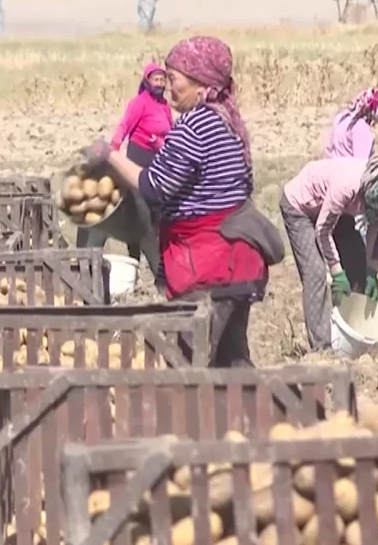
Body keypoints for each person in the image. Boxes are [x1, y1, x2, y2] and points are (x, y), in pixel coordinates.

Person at [84, 36, 283, 368]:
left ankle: (217, 418)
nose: (168, 88)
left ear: (200, 84)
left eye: (174, 79)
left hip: (210, 265)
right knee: (232, 361)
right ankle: (249, 416)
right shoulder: (226, 120)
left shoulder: (196, 126)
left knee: (190, 364)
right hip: (236, 261)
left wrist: (109, 156)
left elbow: (155, 186)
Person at [279, 154, 378, 353]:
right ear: (366, 192)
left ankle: (352, 332)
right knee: (315, 274)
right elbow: (323, 230)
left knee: (357, 265)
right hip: (301, 207)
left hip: (340, 211)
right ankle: (323, 348)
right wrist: (337, 272)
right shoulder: (347, 186)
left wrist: (372, 271)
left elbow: (377, 232)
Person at [78, 63, 172, 289]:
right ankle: (155, 276)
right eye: (155, 79)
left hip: (157, 165)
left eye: (162, 80)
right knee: (143, 222)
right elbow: (123, 128)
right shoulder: (139, 104)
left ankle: (137, 268)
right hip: (137, 163)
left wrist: (163, 145)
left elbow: (171, 131)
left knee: (152, 219)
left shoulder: (164, 106)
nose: (159, 84)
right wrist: (111, 155)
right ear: (147, 81)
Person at [324, 87, 378, 240]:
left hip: (330, 181)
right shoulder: (362, 131)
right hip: (349, 190)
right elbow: (360, 170)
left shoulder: (342, 118)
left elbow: (329, 149)